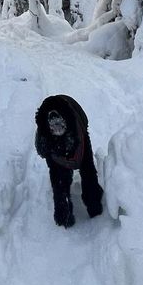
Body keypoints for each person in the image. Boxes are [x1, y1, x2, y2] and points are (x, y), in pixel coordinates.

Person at [34, 94, 104, 228]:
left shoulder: (80, 135)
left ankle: (93, 202)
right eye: (52, 122)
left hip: (77, 126)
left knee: (87, 169)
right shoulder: (45, 141)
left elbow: (88, 170)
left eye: (58, 120)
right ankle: (63, 213)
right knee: (59, 178)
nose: (56, 123)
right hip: (54, 150)